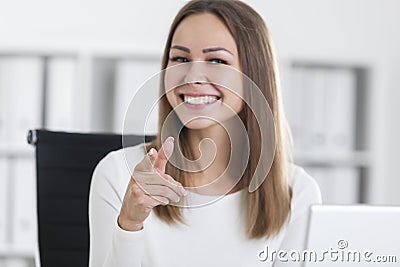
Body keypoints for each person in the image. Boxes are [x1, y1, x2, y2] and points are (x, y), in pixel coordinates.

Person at [89, 0, 321, 266]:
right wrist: (129, 223)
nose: (192, 76)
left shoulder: (298, 193)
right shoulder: (118, 174)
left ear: (255, 77)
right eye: (181, 58)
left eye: (216, 60)